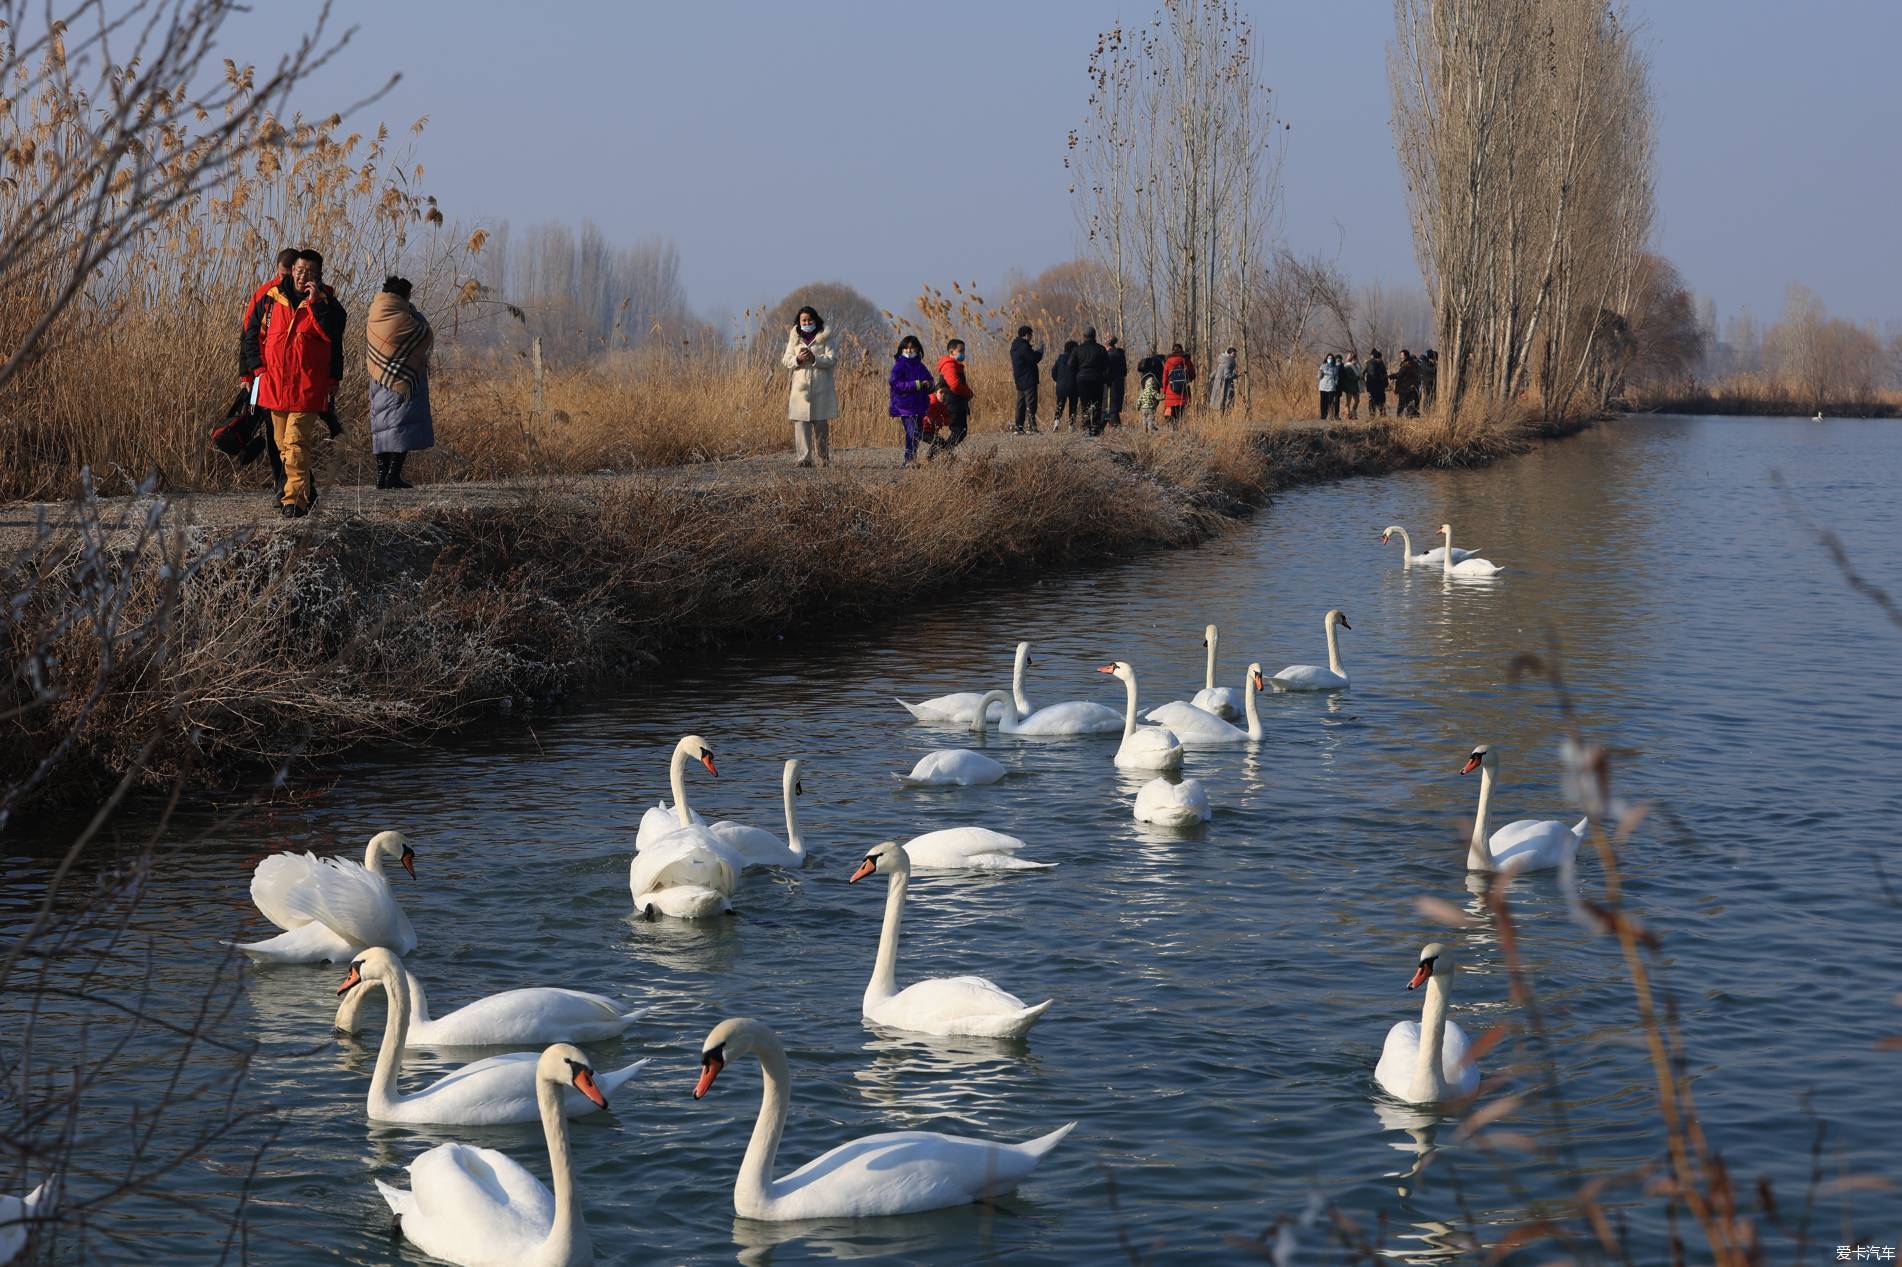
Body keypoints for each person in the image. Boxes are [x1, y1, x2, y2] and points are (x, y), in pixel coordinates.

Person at [253, 249, 344, 518]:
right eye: (300, 270)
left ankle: (294, 502)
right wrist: (254, 371)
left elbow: (333, 337)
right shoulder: (271, 299)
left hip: (307, 385)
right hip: (276, 385)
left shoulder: (328, 305)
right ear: (292, 270)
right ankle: (308, 492)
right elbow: (251, 335)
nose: (303, 275)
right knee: (282, 443)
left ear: (318, 276)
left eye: (310, 272)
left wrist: (316, 303)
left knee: (295, 442)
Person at [240, 247, 299, 501]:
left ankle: (297, 483)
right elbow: (247, 336)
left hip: (297, 377)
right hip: (266, 375)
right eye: (282, 274)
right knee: (272, 430)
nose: (285, 279)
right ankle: (280, 482)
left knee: (296, 434)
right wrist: (247, 375)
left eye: (290, 274)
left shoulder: (308, 295)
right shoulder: (265, 294)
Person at [366, 276, 435, 489]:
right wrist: (413, 311)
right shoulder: (403, 316)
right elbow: (424, 332)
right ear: (403, 295)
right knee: (400, 428)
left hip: (379, 378)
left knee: (382, 428)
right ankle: (392, 475)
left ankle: (381, 476)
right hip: (402, 381)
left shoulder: (375, 312)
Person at [781, 305, 838, 467]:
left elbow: (832, 359)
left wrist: (814, 358)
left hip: (821, 386)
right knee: (801, 423)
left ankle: (824, 459)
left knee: (821, 424)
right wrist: (798, 359)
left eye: (809, 319)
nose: (807, 322)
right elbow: (786, 360)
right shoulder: (795, 337)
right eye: (803, 320)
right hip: (800, 388)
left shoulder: (825, 336)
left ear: (815, 319)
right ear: (799, 322)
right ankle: (804, 459)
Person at [888, 334, 934, 466]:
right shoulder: (899, 366)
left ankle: (912, 458)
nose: (909, 351)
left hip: (919, 405)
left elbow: (930, 379)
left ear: (917, 350)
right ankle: (909, 459)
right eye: (906, 348)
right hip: (905, 405)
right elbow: (895, 384)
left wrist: (930, 385)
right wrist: (917, 384)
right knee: (912, 431)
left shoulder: (920, 365)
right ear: (901, 350)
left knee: (916, 432)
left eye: (912, 348)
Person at [936, 337, 974, 450]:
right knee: (959, 431)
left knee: (959, 432)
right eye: (961, 351)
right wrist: (968, 393)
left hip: (956, 402)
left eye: (964, 351)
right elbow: (955, 385)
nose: (963, 354)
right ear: (952, 352)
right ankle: (943, 453)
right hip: (952, 403)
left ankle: (942, 454)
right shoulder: (949, 365)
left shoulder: (955, 365)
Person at [1070, 326, 1109, 435]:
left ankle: (1086, 427)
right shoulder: (1101, 349)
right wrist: (1105, 378)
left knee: (1085, 403)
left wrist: (1078, 372)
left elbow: (1070, 364)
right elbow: (1107, 366)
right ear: (1094, 336)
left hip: (1082, 380)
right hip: (1097, 379)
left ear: (1084, 336)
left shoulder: (1078, 349)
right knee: (1097, 403)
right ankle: (1095, 427)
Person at [1008, 325, 1043, 434]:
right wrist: (1040, 352)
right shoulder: (1024, 347)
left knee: (1020, 404)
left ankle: (1019, 427)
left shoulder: (1014, 347)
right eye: (1031, 335)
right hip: (1028, 379)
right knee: (1031, 403)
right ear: (1027, 335)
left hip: (1019, 380)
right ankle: (1031, 427)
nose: (1031, 337)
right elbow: (1033, 359)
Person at [1161, 342, 1195, 422]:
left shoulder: (1168, 362)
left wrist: (1165, 391)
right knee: (1180, 415)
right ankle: (1178, 431)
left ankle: (1171, 431)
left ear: (1172, 351)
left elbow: (1165, 378)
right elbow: (1193, 375)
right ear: (1182, 350)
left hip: (1170, 391)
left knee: (1170, 416)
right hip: (1183, 391)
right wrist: (1186, 380)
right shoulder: (1186, 360)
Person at [1050, 339, 1078, 431]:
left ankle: (1056, 424)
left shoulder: (1060, 358)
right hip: (1074, 386)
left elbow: (1053, 372)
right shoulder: (1076, 359)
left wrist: (1058, 380)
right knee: (1073, 406)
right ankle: (1071, 426)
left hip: (1061, 386)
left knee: (1060, 405)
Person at [1105, 336, 1128, 426]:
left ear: (1107, 345)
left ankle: (1116, 429)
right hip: (1120, 384)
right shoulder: (1121, 355)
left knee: (1110, 408)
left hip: (1110, 385)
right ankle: (1116, 428)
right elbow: (1125, 372)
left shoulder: (1109, 355)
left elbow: (1106, 372)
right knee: (1114, 409)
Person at [1394, 349, 1422, 417]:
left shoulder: (1407, 364)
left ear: (1405, 356)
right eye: (1400, 355)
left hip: (1405, 387)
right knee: (1409, 402)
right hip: (1410, 387)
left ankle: (1400, 417)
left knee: (1402, 403)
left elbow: (1400, 375)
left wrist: (1391, 376)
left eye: (1402, 355)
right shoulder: (1412, 363)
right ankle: (1411, 415)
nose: (1400, 357)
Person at [1135, 365, 1162, 433]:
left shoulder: (1143, 392)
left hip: (1143, 408)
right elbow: (1158, 397)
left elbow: (1139, 400)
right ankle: (1151, 430)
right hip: (1151, 408)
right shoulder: (1153, 391)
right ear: (1153, 385)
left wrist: (1138, 407)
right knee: (1150, 419)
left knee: (1144, 419)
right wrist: (1164, 396)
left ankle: (1145, 429)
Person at [1363, 348, 1389, 417]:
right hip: (1377, 386)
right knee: (1378, 400)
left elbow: (1365, 374)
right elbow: (1383, 375)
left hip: (1374, 386)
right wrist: (1386, 383)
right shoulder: (1378, 363)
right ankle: (1379, 414)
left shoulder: (1371, 363)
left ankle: (1376, 414)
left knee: (1375, 400)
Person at [1216, 347, 1240, 414]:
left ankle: (1223, 418)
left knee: (1224, 401)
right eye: (1234, 354)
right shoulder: (1229, 362)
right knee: (1229, 401)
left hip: (1223, 385)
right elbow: (1227, 376)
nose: (1235, 356)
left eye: (1236, 354)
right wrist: (1236, 375)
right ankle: (1225, 419)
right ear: (1229, 354)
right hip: (1227, 385)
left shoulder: (1224, 361)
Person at [1338, 353, 1362, 421]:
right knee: (1348, 402)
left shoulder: (1356, 366)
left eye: (1356, 358)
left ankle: (1353, 412)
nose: (1356, 360)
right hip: (1349, 386)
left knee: (1357, 400)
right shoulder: (1348, 366)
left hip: (1355, 386)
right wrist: (1357, 377)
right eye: (1354, 358)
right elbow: (1349, 376)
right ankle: (1348, 415)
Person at [1318, 353, 1340, 420]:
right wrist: (1319, 374)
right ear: (1326, 358)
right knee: (1323, 401)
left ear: (1333, 359)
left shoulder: (1335, 367)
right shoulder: (1322, 366)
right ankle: (1323, 415)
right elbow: (1319, 376)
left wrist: (1335, 383)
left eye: (1331, 358)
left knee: (1330, 401)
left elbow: (1336, 376)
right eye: (1328, 358)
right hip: (1323, 386)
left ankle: (1330, 415)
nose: (1329, 359)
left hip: (1331, 386)